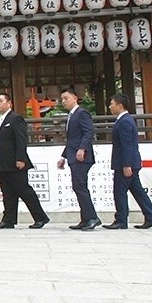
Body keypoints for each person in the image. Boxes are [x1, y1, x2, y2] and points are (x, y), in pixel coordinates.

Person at [0, 93, 49, 229]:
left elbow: (21, 140)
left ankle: (40, 217)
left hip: (15, 163)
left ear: (9, 103)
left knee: (24, 191)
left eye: (1, 101)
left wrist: (20, 158)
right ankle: (8, 220)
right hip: (2, 163)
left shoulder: (16, 118)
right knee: (7, 193)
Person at [105, 93, 152, 230]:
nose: (110, 106)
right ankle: (151, 218)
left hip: (126, 163)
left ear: (120, 105)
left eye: (112, 104)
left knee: (120, 191)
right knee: (138, 191)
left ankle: (121, 220)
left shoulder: (124, 121)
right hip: (131, 162)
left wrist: (126, 164)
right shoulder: (126, 120)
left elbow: (127, 144)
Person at [57, 87, 100, 230]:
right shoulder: (71, 115)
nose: (63, 101)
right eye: (62, 99)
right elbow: (71, 139)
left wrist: (82, 149)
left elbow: (88, 132)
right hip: (73, 155)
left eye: (66, 98)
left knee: (80, 186)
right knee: (78, 186)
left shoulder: (82, 113)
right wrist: (63, 156)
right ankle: (86, 218)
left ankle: (92, 217)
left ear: (75, 98)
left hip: (82, 156)